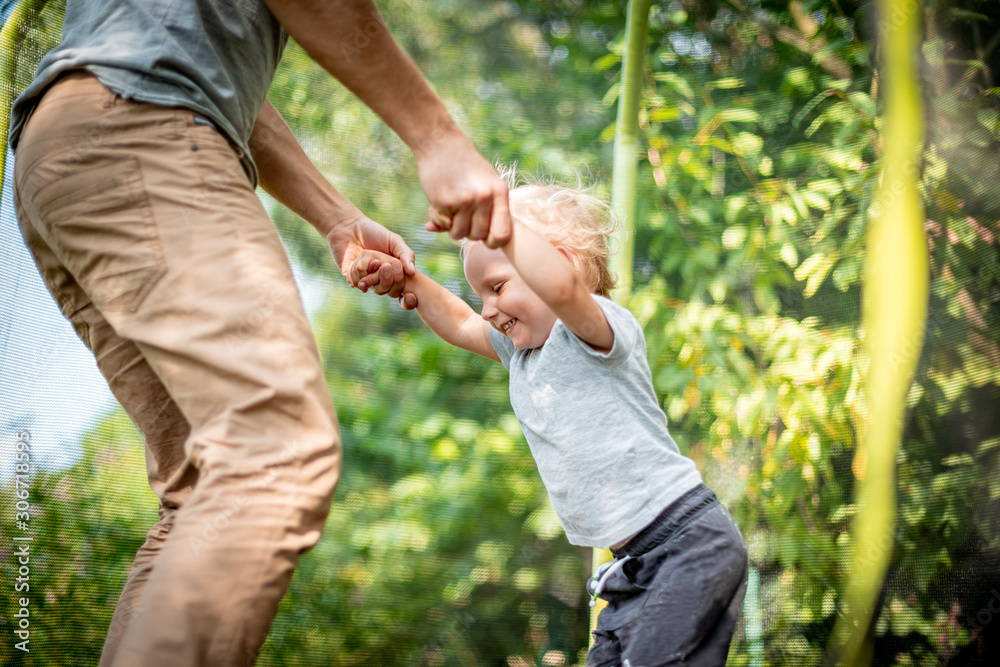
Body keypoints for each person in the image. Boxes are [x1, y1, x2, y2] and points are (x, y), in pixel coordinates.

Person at [8, 1, 509, 665]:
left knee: (200, 493)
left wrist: (335, 216)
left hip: (64, 147)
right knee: (273, 445)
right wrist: (436, 136)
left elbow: (209, 69)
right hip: (142, 127)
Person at [353, 178, 750, 666]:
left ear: (558, 264)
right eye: (483, 294)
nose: (488, 308)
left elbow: (561, 289)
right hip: (633, 568)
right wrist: (406, 280)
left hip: (686, 547)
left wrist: (500, 227)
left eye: (497, 286)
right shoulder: (522, 356)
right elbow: (458, 321)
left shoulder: (595, 329)